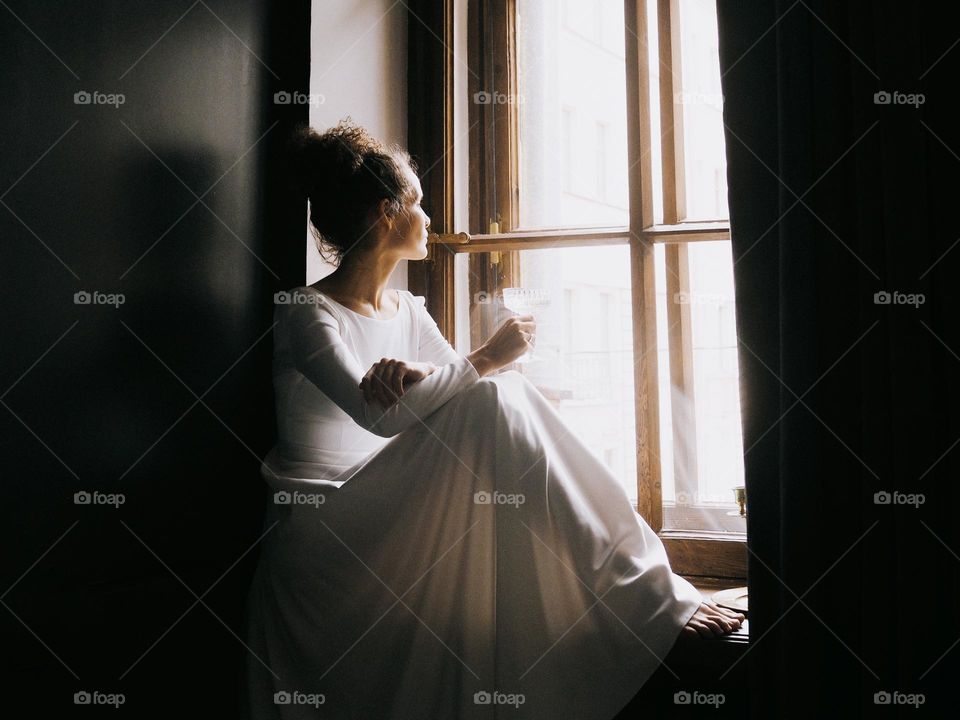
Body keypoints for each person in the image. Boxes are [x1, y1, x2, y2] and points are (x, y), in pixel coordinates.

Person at [241, 118, 744, 719]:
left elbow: (451, 394)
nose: (430, 219)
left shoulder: (407, 307)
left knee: (503, 394)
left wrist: (444, 375)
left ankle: (644, 585)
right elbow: (377, 418)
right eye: (420, 204)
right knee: (495, 389)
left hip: (392, 504)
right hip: (324, 525)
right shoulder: (305, 312)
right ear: (386, 213)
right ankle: (646, 594)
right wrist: (487, 356)